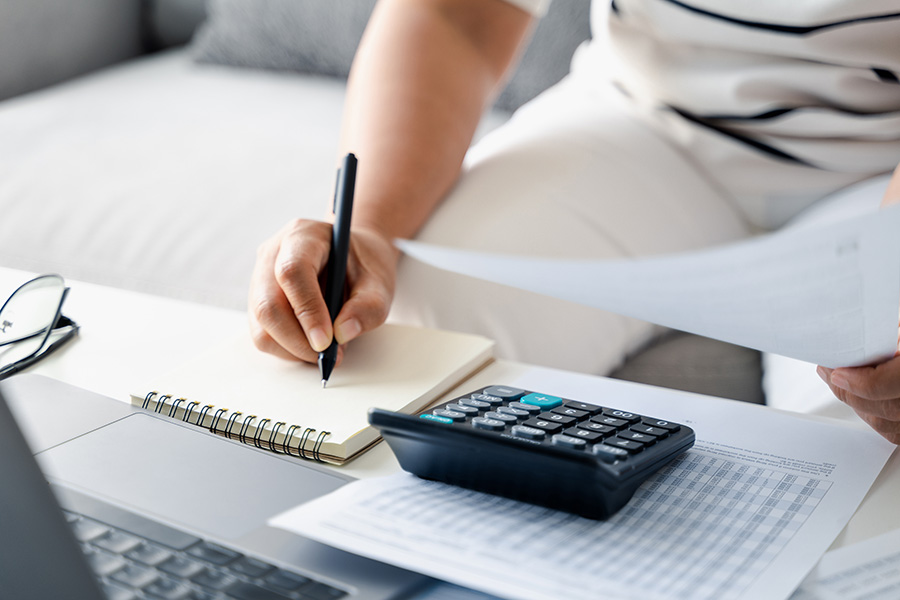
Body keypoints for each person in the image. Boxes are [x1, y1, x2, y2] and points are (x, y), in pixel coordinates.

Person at [247, 0, 900, 443]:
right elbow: (458, 15)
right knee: (408, 342)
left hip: (882, 160)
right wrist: (369, 229)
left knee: (867, 438)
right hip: (646, 117)